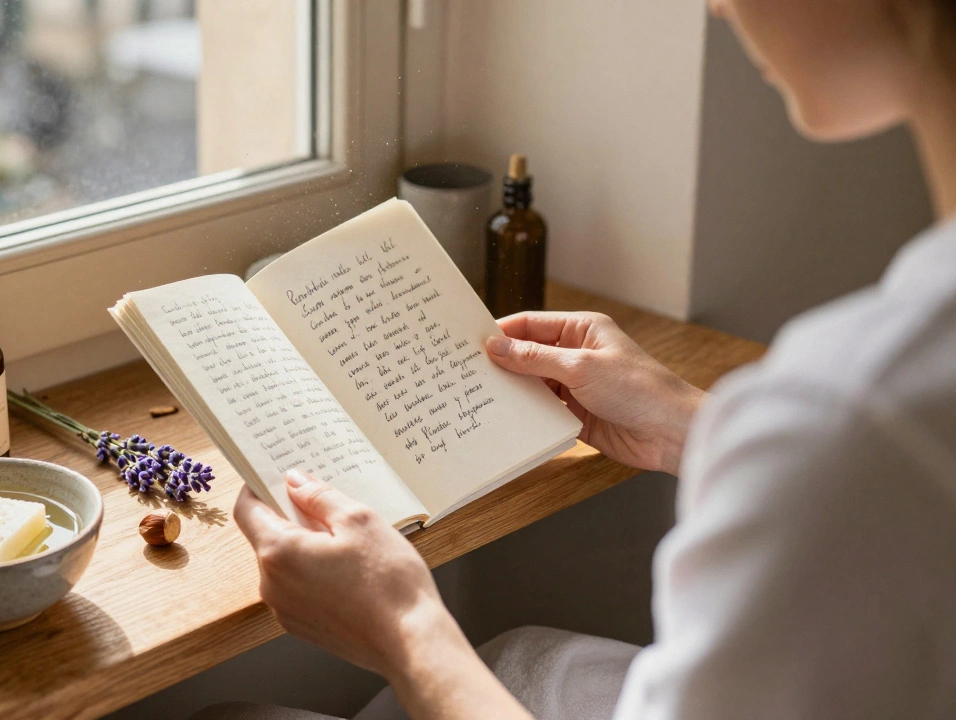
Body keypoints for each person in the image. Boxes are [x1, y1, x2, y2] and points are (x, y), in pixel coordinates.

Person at [204, 0, 956, 718]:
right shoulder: (874, 404)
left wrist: (405, 631)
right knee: (521, 657)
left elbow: (858, 462)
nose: (718, 8)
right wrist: (689, 425)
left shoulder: (851, 412)